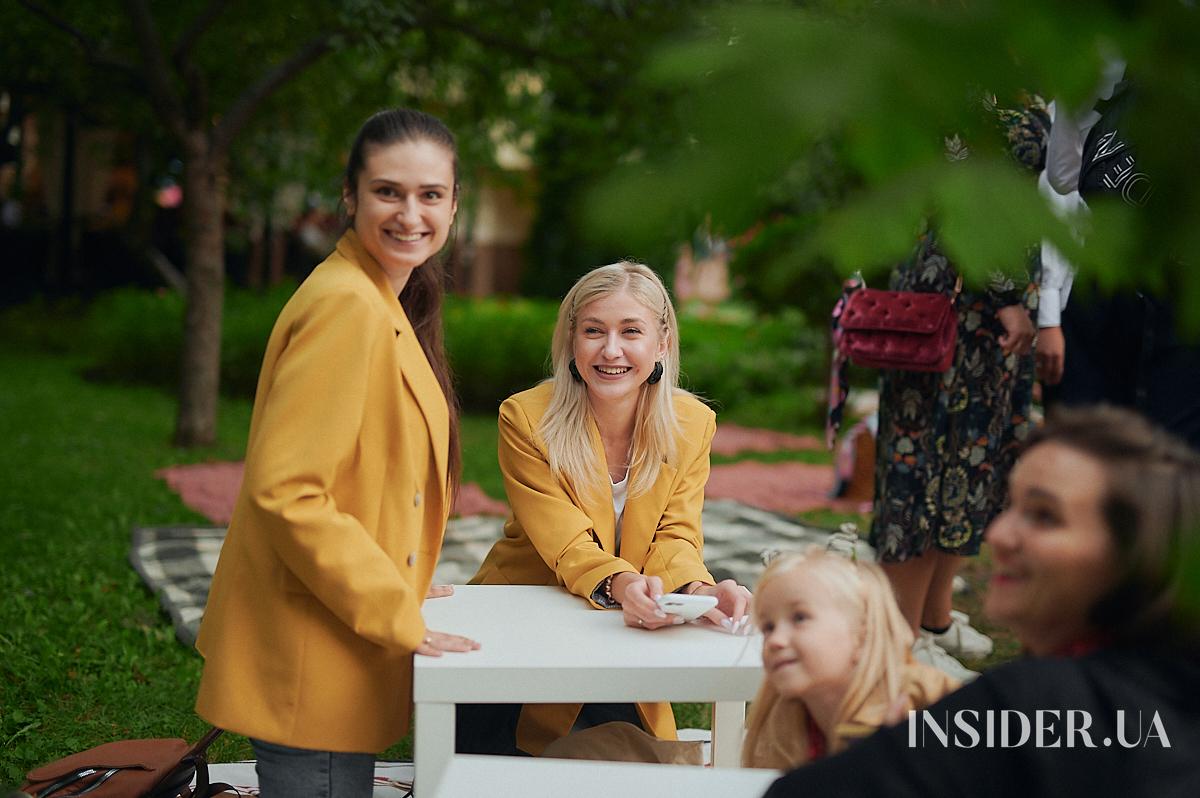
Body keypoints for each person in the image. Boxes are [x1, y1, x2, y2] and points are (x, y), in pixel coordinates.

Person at [193, 108, 479, 798]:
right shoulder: (347, 306)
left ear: (453, 205)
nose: (410, 213)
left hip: (327, 636)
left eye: (430, 195)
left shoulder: (378, 296)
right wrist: (391, 604)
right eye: (388, 191)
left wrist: (404, 573)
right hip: (312, 654)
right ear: (349, 197)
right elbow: (288, 492)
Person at [763, 405, 1200, 797]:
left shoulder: (1033, 704)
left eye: (1044, 516)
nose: (998, 535)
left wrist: (894, 754)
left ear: (1132, 554)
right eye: (1008, 506)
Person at [459, 261, 753, 757]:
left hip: (618, 630)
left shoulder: (692, 423)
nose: (610, 350)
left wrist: (700, 590)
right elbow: (567, 544)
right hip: (522, 628)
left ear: (661, 344)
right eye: (594, 331)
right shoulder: (526, 417)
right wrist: (624, 585)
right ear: (571, 341)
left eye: (630, 331)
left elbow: (676, 536)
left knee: (634, 767)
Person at [870, 96, 1049, 681]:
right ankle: (899, 640)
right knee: (928, 468)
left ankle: (932, 619)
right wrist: (1005, 298)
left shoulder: (1006, 94)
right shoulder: (977, 98)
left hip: (971, 310)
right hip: (961, 313)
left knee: (966, 471)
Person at [742, 545, 957, 769]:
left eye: (800, 618)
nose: (776, 640)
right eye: (768, 627)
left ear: (862, 633)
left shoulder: (924, 702)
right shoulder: (782, 726)